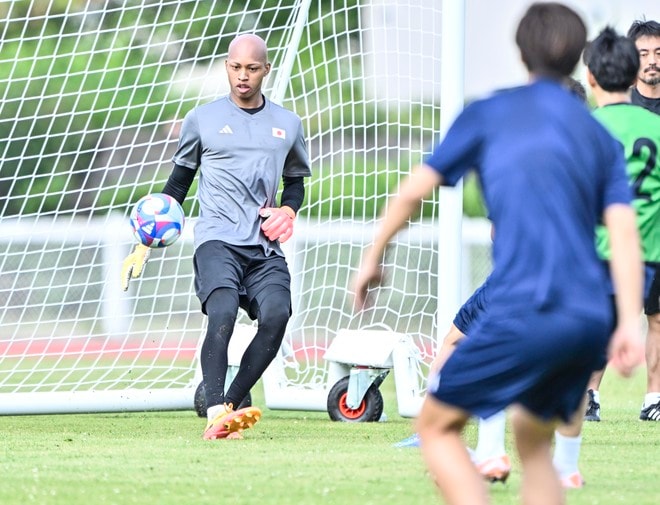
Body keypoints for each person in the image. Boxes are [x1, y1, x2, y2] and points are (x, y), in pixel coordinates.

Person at [353, 3, 644, 504]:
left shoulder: (490, 112)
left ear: (520, 52)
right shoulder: (597, 135)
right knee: (534, 443)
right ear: (581, 59)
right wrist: (624, 325)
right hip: (586, 314)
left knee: (437, 426)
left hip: (521, 304)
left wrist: (373, 256)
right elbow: (623, 232)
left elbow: (410, 193)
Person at [121, 33, 312, 440]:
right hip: (217, 240)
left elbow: (295, 181)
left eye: (252, 68)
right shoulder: (201, 119)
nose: (243, 76)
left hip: (263, 247)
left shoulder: (288, 124)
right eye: (235, 67)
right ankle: (215, 412)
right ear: (227, 65)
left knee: (278, 316)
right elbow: (177, 186)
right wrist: (143, 243)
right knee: (222, 313)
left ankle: (228, 404)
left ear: (266, 70)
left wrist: (288, 209)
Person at [584, 22, 660, 423]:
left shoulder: (591, 125)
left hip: (610, 242)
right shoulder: (643, 124)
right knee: (612, 318)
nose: (652, 62)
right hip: (640, 244)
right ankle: (589, 393)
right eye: (644, 54)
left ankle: (652, 398)